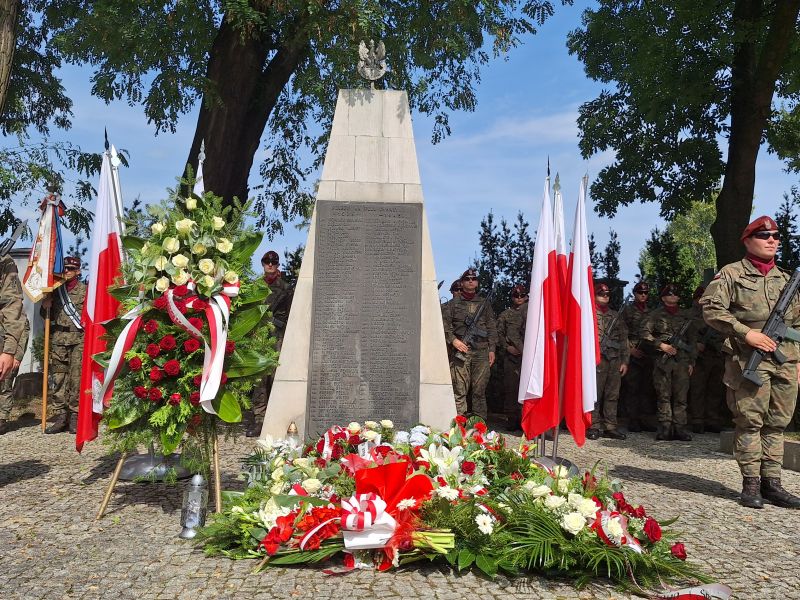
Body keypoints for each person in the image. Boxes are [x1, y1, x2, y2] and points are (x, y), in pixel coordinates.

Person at [701, 215, 800, 509]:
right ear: (747, 240)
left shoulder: (786, 280)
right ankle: (751, 484)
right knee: (750, 422)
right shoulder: (731, 274)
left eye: (776, 236)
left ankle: (773, 483)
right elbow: (711, 309)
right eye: (764, 235)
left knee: (778, 423)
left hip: (785, 358)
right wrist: (747, 334)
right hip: (748, 359)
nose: (772, 240)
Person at [641, 283, 697, 441]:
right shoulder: (655, 315)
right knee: (663, 395)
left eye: (675, 294)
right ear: (663, 297)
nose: (673, 296)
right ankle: (665, 427)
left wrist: (692, 361)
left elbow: (692, 341)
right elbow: (644, 332)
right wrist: (661, 345)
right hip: (663, 362)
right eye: (670, 294)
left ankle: (680, 428)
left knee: (681, 397)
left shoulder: (686, 316)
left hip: (682, 361)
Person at [246, 250, 294, 437]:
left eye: (273, 262)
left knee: (275, 377)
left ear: (277, 264)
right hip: (258, 336)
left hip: (278, 336)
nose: (270, 265)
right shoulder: (255, 287)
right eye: (267, 262)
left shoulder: (286, 287)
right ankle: (259, 420)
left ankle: (276, 419)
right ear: (263, 264)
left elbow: (291, 315)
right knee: (259, 379)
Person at [442, 268, 497, 418]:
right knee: (459, 390)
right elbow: (444, 326)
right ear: (462, 282)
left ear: (477, 283)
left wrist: (492, 349)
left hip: (481, 352)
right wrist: (454, 341)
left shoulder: (484, 304)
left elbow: (491, 327)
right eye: (467, 279)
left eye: (474, 279)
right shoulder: (452, 304)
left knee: (479, 391)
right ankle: (459, 425)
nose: (471, 281)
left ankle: (480, 428)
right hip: (461, 352)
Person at [42, 256, 86, 434]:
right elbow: (45, 317)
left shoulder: (85, 291)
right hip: (59, 338)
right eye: (65, 268)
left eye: (71, 269)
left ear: (78, 271)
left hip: (78, 340)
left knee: (76, 379)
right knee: (59, 377)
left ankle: (75, 415)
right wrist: (45, 306)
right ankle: (61, 415)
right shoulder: (55, 290)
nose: (67, 271)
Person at [587, 282, 628, 440]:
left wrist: (625, 361)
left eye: (607, 294)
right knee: (595, 394)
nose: (604, 297)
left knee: (612, 394)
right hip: (596, 360)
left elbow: (624, 340)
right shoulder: (588, 315)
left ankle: (610, 426)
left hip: (614, 360)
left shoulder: (616, 316)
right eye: (601, 294)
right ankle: (594, 425)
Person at [688, 285, 728, 434]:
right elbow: (684, 334)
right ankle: (697, 420)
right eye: (701, 298)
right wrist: (695, 344)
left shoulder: (715, 314)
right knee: (698, 389)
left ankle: (712, 419)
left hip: (716, 355)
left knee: (715, 389)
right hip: (699, 358)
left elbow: (723, 332)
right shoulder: (690, 315)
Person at [619, 281, 657, 432]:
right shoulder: (627, 311)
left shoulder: (652, 312)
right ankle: (633, 419)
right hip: (633, 353)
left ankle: (645, 419)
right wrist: (630, 349)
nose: (643, 295)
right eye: (640, 292)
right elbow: (621, 332)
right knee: (633, 388)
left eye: (645, 293)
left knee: (647, 388)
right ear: (634, 293)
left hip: (648, 353)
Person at [0, 254, 27, 435]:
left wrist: (12, 352)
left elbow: (13, 312)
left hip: (4, 342)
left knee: (4, 386)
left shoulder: (5, 262)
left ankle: (2, 417)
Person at [496, 285, 527, 431]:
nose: (519, 298)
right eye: (516, 295)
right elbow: (499, 334)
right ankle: (512, 418)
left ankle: (525, 418)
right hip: (512, 357)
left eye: (522, 295)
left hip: (529, 358)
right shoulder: (505, 315)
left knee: (528, 389)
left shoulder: (533, 313)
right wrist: (507, 347)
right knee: (511, 388)